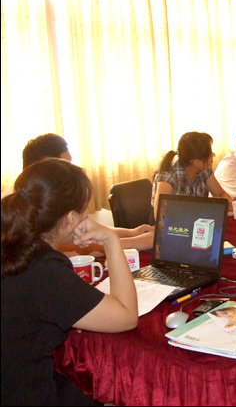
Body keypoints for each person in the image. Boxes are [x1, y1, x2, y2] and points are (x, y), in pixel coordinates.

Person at [1, 158, 138, 405]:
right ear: (72, 218)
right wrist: (110, 241)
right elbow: (127, 316)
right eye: (85, 209)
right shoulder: (44, 270)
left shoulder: (13, 246)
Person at [2, 133, 155, 251]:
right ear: (45, 168)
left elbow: (85, 229)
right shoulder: (19, 206)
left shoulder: (47, 195)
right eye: (65, 165)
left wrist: (131, 233)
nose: (69, 171)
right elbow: (75, 248)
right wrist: (137, 242)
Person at [152, 132, 232, 221]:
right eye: (210, 153)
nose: (213, 155)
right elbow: (160, 215)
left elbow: (222, 195)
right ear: (197, 162)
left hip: (196, 221)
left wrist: (221, 201)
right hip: (172, 225)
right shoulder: (168, 177)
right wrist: (206, 205)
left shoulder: (204, 170)